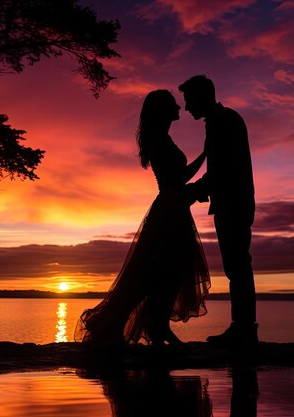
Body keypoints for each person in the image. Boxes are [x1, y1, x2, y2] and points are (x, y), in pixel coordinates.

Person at [74, 89, 210, 347]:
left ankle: (157, 325)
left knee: (171, 271)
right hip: (170, 209)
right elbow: (177, 180)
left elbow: (179, 178)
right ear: (162, 111)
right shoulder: (159, 141)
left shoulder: (163, 139)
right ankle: (131, 324)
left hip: (175, 207)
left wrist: (203, 161)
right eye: (173, 105)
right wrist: (204, 157)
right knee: (156, 271)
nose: (179, 109)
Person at [179, 75, 259, 348]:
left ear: (202, 96)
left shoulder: (225, 121)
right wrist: (199, 190)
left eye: (189, 100)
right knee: (236, 267)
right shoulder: (219, 121)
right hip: (231, 201)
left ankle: (245, 329)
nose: (187, 107)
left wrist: (194, 192)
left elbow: (224, 169)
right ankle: (243, 327)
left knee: (238, 266)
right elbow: (220, 169)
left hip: (234, 202)